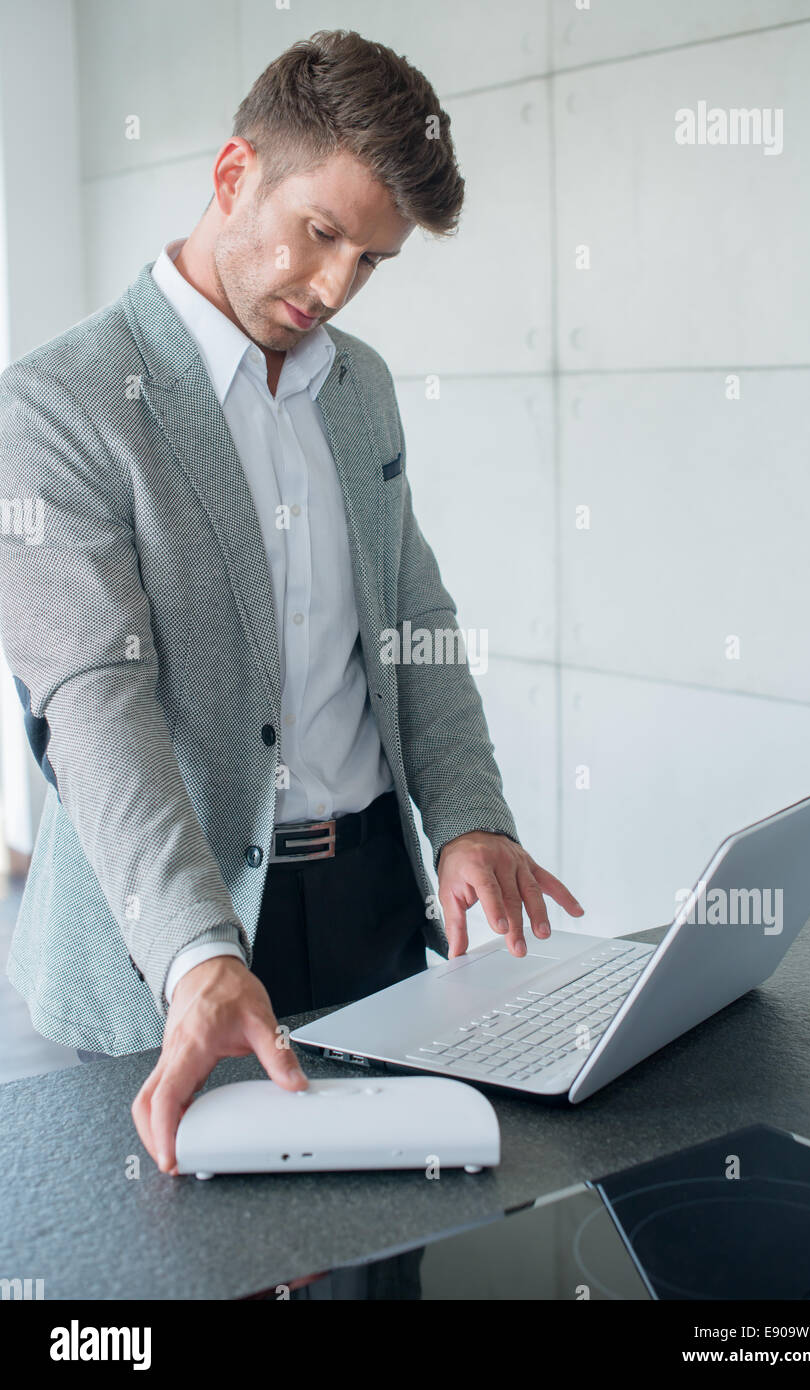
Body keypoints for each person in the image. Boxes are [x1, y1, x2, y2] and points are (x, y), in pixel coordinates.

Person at [0, 30, 582, 1175]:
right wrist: (192, 952)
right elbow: (95, 703)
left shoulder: (356, 387)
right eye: (322, 234)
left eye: (369, 261)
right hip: (171, 934)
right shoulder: (58, 406)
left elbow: (413, 611)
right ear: (233, 176)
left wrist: (471, 817)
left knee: (388, 1251)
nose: (334, 287)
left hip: (371, 904)